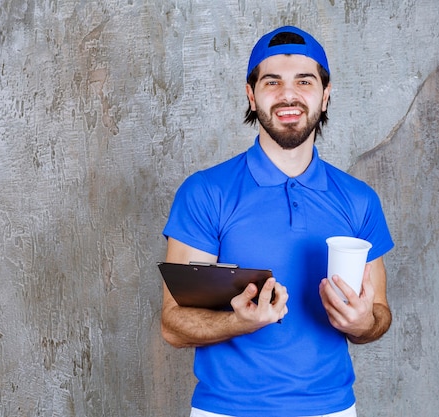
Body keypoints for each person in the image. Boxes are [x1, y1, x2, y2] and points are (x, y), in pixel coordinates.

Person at [161, 25, 394, 417]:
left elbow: (380, 313)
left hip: (332, 409)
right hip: (227, 410)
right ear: (251, 96)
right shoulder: (206, 193)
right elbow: (173, 323)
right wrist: (240, 321)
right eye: (272, 82)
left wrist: (363, 321)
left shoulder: (358, 200)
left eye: (304, 81)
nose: (289, 95)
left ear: (326, 93)